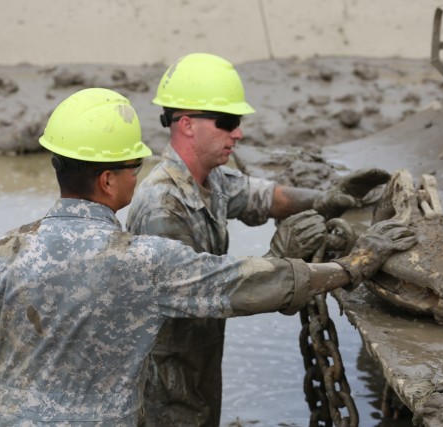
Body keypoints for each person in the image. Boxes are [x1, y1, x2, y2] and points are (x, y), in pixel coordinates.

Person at [0, 87, 415, 426]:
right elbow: (237, 283)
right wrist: (350, 267)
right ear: (109, 181)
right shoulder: (143, 262)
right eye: (134, 167)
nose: (141, 174)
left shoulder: (6, 250)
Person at [125, 52, 397, 427]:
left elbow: (262, 196)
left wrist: (324, 199)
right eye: (228, 121)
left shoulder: (207, 178)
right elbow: (207, 294)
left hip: (195, 360)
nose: (238, 133)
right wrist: (330, 264)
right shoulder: (162, 208)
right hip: (166, 376)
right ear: (186, 125)